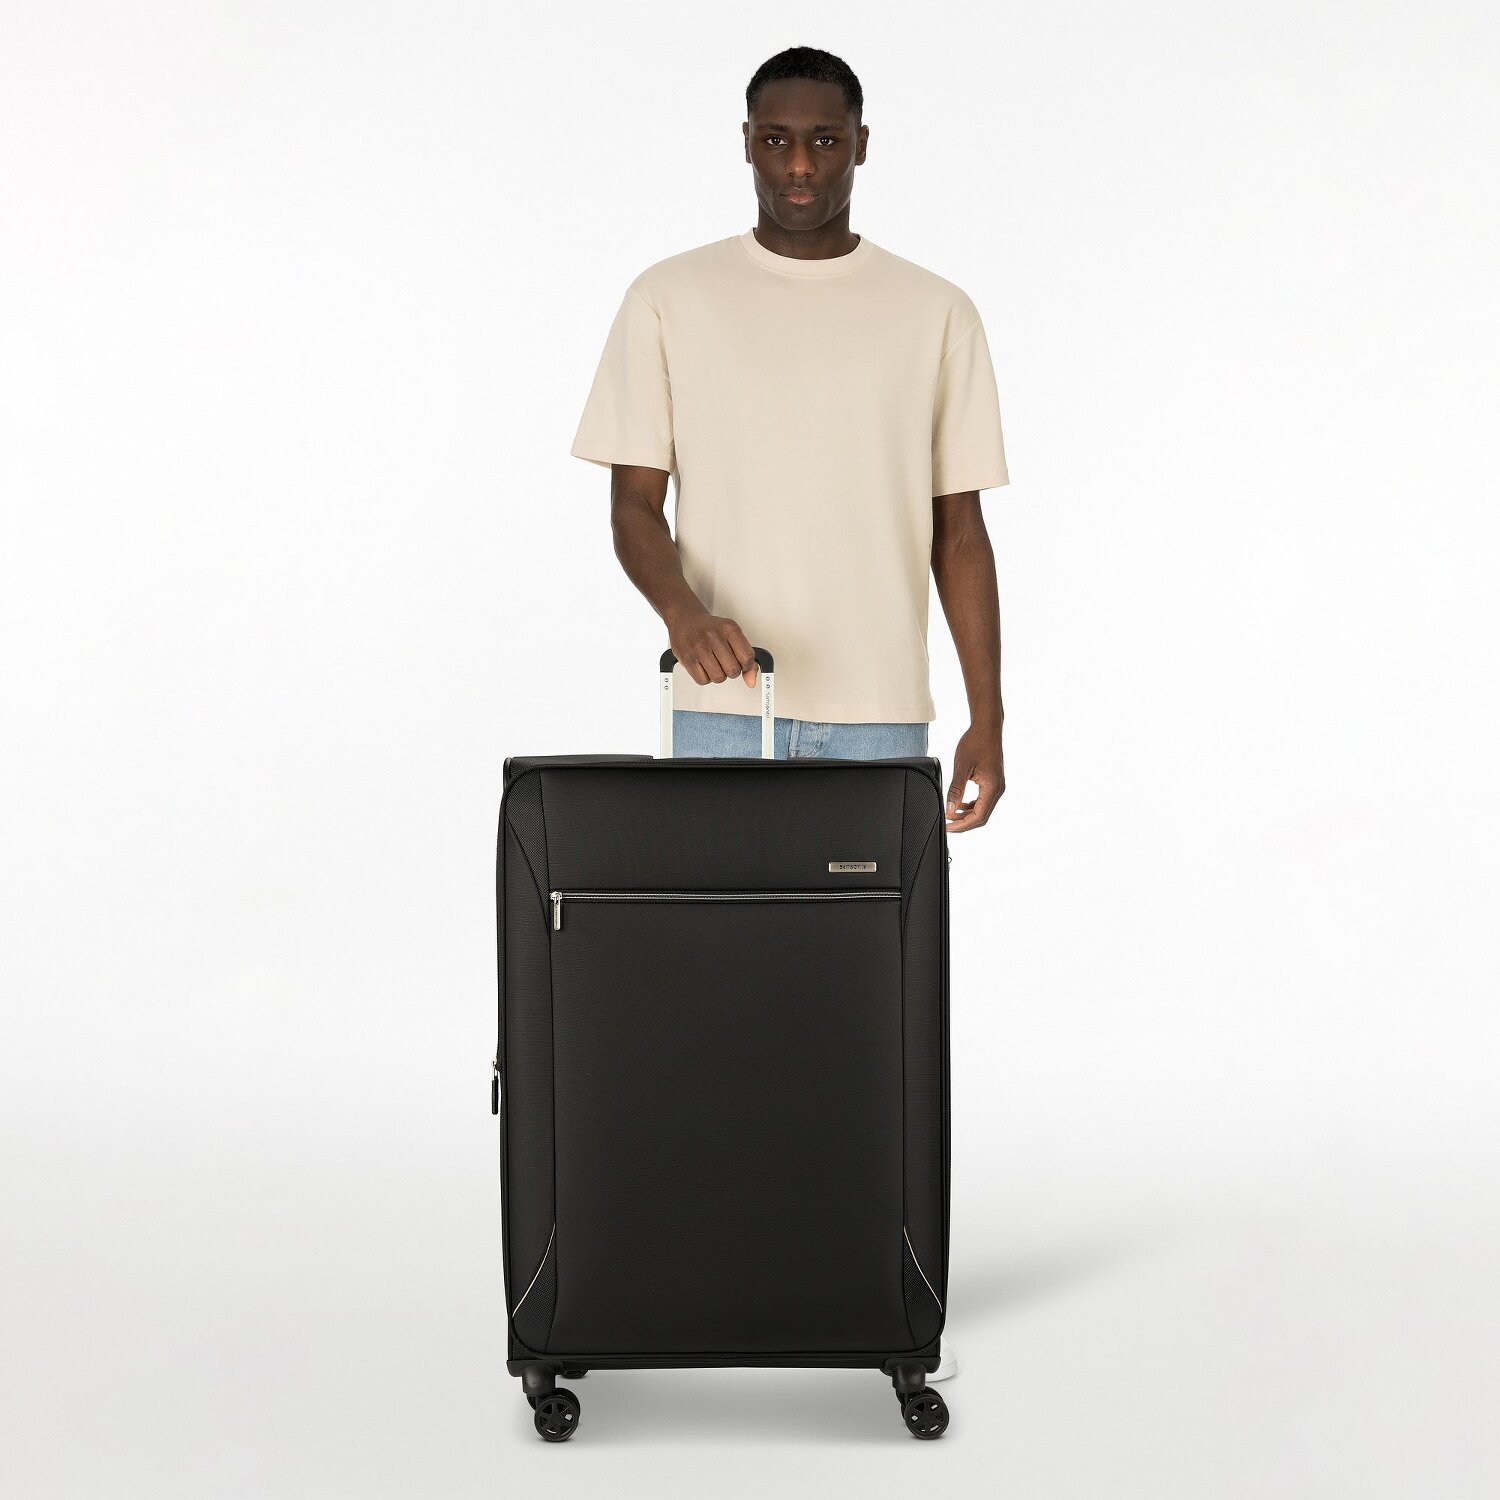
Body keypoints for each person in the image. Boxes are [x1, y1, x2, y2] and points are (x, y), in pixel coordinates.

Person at [568, 46, 1012, 1384]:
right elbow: (633, 507)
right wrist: (680, 611)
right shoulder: (671, 297)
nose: (801, 165)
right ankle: (703, 1269)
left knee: (867, 1030)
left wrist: (988, 715)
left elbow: (960, 530)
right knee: (707, 1013)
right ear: (746, 143)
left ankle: (868, 1291)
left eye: (825, 140)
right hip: (729, 714)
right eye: (778, 139)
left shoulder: (934, 312)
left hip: (879, 723)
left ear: (862, 145)